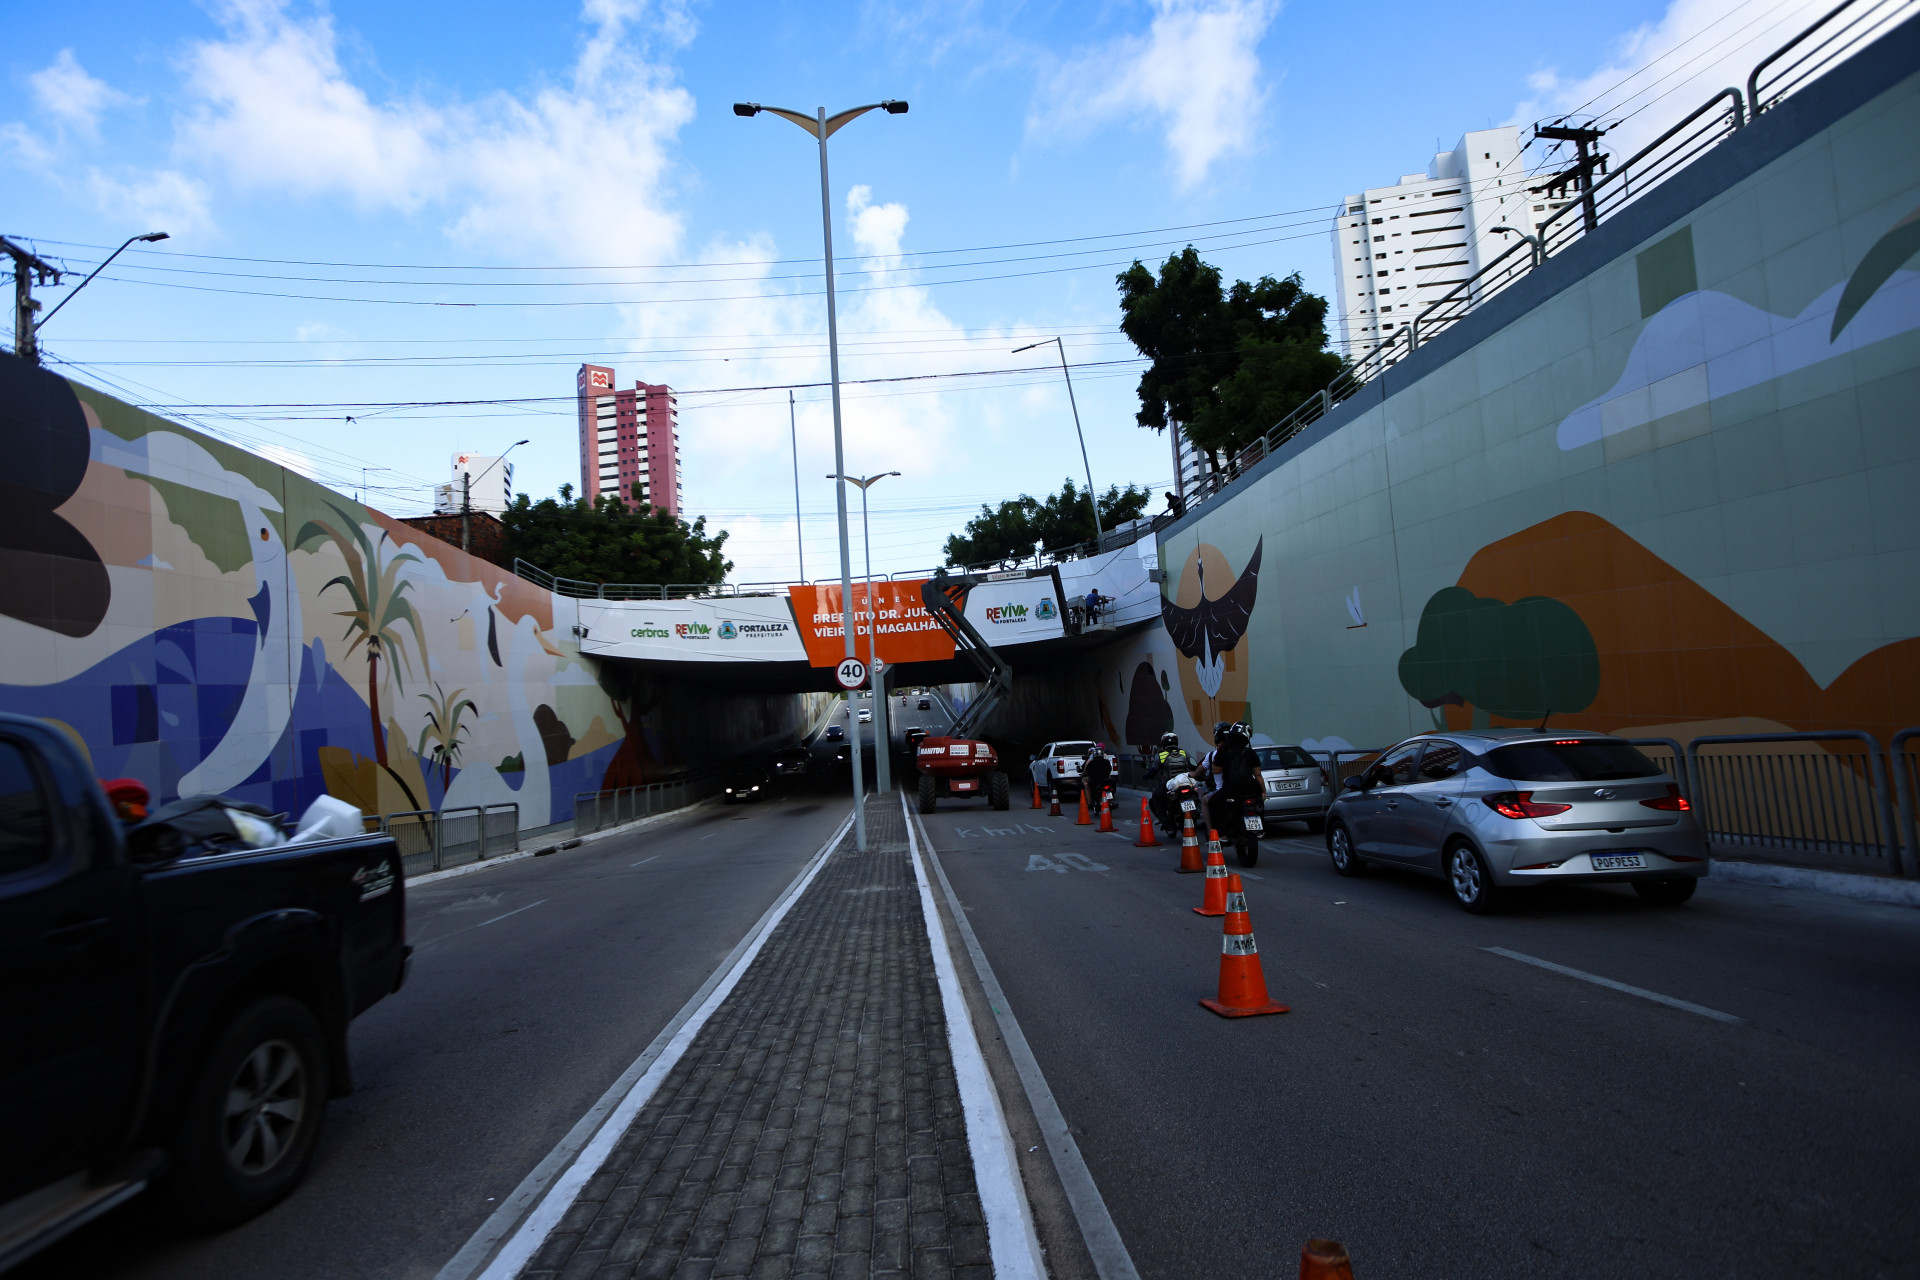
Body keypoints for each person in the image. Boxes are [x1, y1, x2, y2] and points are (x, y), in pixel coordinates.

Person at [1145, 732, 1194, 831]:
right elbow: (1194, 764)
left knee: (1156, 797)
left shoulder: (1160, 755)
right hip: (1185, 783)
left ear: (1163, 742)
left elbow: (1154, 770)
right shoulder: (1184, 753)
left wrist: (1146, 776)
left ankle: (1165, 822)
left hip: (1168, 785)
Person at [1081, 742, 1113, 811]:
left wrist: (1083, 775)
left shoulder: (1091, 762)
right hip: (1106, 781)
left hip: (1094, 782)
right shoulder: (1106, 762)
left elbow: (1086, 771)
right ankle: (1109, 802)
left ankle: (1089, 803)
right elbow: (1110, 770)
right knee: (1109, 790)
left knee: (1086, 785)